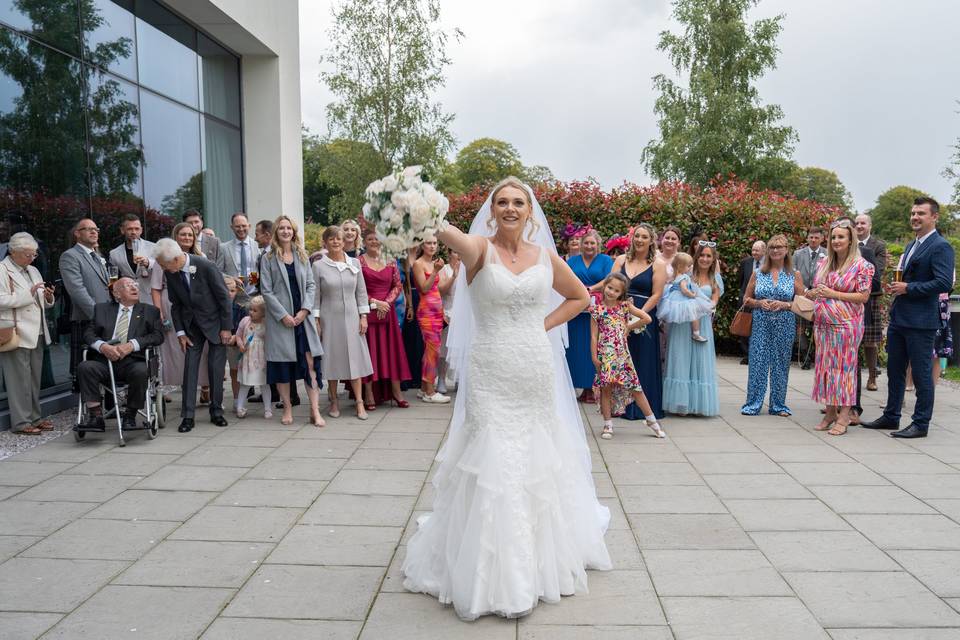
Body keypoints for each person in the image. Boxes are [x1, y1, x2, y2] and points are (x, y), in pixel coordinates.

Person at [403, 177, 611, 620]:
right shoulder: (478, 249)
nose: (511, 208)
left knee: (534, 453)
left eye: (519, 202)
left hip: (532, 367)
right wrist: (410, 203)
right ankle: (489, 574)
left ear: (530, 211)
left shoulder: (545, 256)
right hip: (491, 369)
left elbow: (578, 298)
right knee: (493, 456)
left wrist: (542, 325)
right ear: (492, 210)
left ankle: (536, 564)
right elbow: (444, 231)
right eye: (503, 202)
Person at [863, 197, 955, 438]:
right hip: (900, 318)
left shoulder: (940, 246)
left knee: (922, 375)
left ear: (934, 217)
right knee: (894, 370)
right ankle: (891, 416)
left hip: (921, 321)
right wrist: (899, 288)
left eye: (921, 213)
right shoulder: (910, 245)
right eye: (913, 213)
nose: (915, 217)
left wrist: (908, 288)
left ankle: (920, 423)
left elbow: (944, 282)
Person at [154, 238, 232, 433]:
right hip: (191, 327)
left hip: (215, 323)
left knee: (216, 368)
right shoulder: (170, 272)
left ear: (176, 258)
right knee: (189, 369)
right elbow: (176, 305)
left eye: (164, 263)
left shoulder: (205, 266)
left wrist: (226, 327)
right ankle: (187, 416)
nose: (162, 268)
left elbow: (223, 297)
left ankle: (216, 411)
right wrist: (180, 332)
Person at [807, 219, 874, 436]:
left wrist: (832, 294)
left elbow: (863, 296)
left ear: (850, 239)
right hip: (822, 325)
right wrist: (812, 293)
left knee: (843, 370)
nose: (836, 241)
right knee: (825, 368)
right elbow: (817, 288)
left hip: (846, 326)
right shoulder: (824, 263)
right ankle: (829, 412)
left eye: (841, 237)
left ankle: (844, 415)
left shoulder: (862, 265)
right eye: (834, 237)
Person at [261, 216, 325, 426]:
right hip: (281, 320)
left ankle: (314, 410)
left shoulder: (302, 256)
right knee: (283, 366)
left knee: (310, 363)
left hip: (302, 318)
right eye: (282, 228)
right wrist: (283, 316)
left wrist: (305, 310)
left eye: (289, 228)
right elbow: (267, 291)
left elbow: (311, 285)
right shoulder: (268, 258)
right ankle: (287, 407)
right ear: (276, 232)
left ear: (294, 232)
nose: (286, 231)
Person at [77, 277, 163, 431]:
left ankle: (130, 416)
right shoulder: (101, 309)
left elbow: (157, 336)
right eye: (128, 286)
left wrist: (132, 345)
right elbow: (88, 334)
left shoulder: (150, 311)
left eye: (135, 285)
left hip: (133, 361)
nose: (134, 288)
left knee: (141, 371)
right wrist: (102, 346)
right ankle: (95, 416)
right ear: (116, 294)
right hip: (104, 361)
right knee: (85, 367)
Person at [590, 272, 664, 439]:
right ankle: (608, 424)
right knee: (606, 389)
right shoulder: (596, 310)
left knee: (636, 388)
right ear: (604, 286)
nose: (611, 292)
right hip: (605, 356)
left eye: (616, 290)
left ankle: (652, 420)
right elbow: (594, 335)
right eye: (609, 287)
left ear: (621, 293)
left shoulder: (624, 307)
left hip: (623, 357)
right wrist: (594, 356)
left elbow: (646, 318)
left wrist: (629, 327)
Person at [313, 225, 374, 419]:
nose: (336, 241)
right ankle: (333, 401)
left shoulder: (355, 263)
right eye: (331, 238)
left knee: (354, 359)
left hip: (352, 318)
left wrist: (364, 316)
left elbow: (361, 292)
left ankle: (359, 402)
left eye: (338, 238)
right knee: (332, 359)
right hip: (329, 317)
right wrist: (316, 319)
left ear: (344, 241)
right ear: (326, 242)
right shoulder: (319, 266)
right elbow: (315, 295)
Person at [741, 235, 804, 416]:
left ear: (786, 250)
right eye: (772, 247)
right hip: (760, 322)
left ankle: (778, 405)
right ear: (768, 251)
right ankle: (753, 404)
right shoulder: (758, 272)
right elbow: (746, 299)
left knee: (780, 364)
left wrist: (785, 305)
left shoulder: (794, 274)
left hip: (785, 323)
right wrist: (759, 303)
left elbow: (802, 302)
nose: (776, 250)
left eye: (779, 247)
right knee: (757, 363)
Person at [0, 233, 56, 435]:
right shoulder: (2, 270)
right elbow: (1, 300)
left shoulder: (32, 269)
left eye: (34, 254)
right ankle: (21, 422)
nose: (32, 258)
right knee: (18, 380)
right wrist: (29, 294)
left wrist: (48, 298)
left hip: (37, 330)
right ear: (13, 252)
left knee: (33, 379)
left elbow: (40, 300)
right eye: (28, 255)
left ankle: (35, 417)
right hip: (16, 331)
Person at [663, 243, 722, 417]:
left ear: (713, 259)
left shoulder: (715, 278)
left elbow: (715, 297)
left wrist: (709, 307)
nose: (705, 259)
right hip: (683, 321)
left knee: (700, 360)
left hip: (702, 320)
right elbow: (673, 288)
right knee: (681, 357)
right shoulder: (687, 274)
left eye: (709, 256)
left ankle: (699, 403)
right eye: (702, 255)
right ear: (697, 257)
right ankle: (681, 403)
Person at [614, 224, 666, 420]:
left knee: (642, 361)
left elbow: (657, 294)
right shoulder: (620, 260)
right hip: (620, 314)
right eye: (637, 236)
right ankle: (620, 405)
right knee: (622, 359)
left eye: (644, 237)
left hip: (644, 316)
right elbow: (610, 284)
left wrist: (638, 315)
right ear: (632, 238)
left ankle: (645, 408)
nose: (640, 240)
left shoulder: (658, 264)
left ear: (651, 240)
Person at [359, 228, 411, 409]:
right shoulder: (358, 262)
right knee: (370, 353)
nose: (374, 242)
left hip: (387, 313)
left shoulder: (390, 261)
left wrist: (386, 303)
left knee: (391, 352)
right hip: (367, 311)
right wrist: (375, 302)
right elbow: (356, 289)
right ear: (364, 241)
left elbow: (397, 285)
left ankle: (397, 392)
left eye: (377, 239)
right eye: (370, 239)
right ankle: (369, 393)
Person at [565, 229, 613, 403]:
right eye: (586, 243)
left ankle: (592, 388)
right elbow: (567, 278)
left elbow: (609, 279)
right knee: (577, 348)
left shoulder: (606, 260)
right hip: (576, 309)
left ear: (598, 245)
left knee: (595, 346)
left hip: (598, 307)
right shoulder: (572, 261)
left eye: (592, 243)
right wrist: (579, 291)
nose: (589, 246)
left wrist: (591, 289)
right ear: (581, 244)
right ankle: (579, 384)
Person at [412, 236, 451, 403]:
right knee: (432, 351)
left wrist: (453, 275)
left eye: (435, 243)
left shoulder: (435, 262)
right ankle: (429, 391)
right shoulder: (418, 264)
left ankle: (423, 388)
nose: (432, 246)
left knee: (432, 350)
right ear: (422, 244)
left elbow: (439, 289)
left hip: (437, 311)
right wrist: (435, 271)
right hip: (426, 311)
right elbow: (424, 288)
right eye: (429, 243)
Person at [855, 213, 888, 390]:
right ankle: (853, 377)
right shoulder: (849, 244)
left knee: (870, 340)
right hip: (851, 297)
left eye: (863, 223)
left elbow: (878, 270)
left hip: (871, 296)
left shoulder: (878, 245)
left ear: (870, 226)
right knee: (853, 339)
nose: (859, 226)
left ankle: (872, 377)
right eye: (857, 223)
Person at [658, 252, 715, 342]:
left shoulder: (675, 276)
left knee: (670, 313)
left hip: (673, 298)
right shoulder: (683, 277)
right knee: (694, 315)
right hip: (682, 298)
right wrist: (692, 294)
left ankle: (661, 322)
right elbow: (684, 290)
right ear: (681, 266)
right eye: (688, 266)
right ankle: (696, 333)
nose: (690, 268)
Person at [793, 227, 826, 369]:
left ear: (822, 239)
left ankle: (818, 359)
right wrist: (805, 290)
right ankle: (805, 355)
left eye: (816, 237)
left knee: (818, 329)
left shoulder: (828, 254)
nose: (813, 240)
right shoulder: (797, 254)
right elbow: (792, 273)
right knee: (799, 328)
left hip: (821, 297)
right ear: (807, 238)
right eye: (811, 237)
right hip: (802, 295)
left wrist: (817, 291)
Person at [234, 296, 270, 418]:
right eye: (251, 309)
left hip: (261, 359)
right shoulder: (245, 321)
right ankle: (240, 407)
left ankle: (267, 408)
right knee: (245, 384)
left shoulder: (266, 323)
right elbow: (238, 335)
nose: (251, 312)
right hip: (247, 358)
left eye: (255, 311)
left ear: (263, 312)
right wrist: (240, 344)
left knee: (264, 384)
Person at [108, 214, 155, 305]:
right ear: (122, 230)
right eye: (130, 229)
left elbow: (163, 269)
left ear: (141, 230)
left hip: (150, 298)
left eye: (136, 229)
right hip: (127, 301)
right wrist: (116, 297)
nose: (133, 232)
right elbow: (113, 279)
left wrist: (148, 263)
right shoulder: (114, 253)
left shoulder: (153, 247)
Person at [736, 240, 766, 365]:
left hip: (761, 301)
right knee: (744, 328)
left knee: (759, 329)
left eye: (757, 250)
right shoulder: (745, 263)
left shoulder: (769, 264)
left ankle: (760, 354)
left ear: (764, 251)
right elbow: (740, 280)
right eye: (753, 250)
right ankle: (747, 355)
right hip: (746, 300)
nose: (754, 252)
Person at [437, 249, 460, 393]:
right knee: (443, 349)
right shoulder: (444, 269)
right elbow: (441, 291)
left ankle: (458, 378)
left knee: (461, 347)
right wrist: (454, 276)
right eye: (456, 252)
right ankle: (441, 379)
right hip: (447, 311)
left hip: (462, 313)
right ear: (450, 253)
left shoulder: (468, 268)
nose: (459, 255)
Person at [221, 212, 257, 287]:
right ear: (232, 227)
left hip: (255, 292)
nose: (241, 229)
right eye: (237, 226)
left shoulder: (257, 245)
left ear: (249, 226)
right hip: (234, 293)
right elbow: (218, 271)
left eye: (244, 226)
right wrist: (231, 279)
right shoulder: (224, 248)